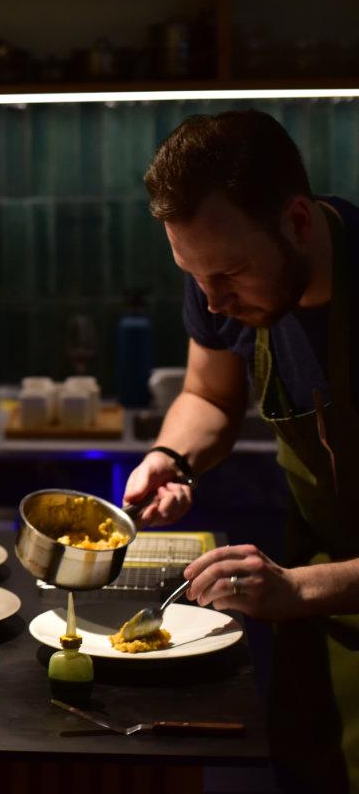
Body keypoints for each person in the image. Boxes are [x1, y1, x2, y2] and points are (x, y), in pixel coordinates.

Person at [123, 109, 359, 792]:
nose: (214, 301)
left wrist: (302, 585)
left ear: (298, 221)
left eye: (228, 274)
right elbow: (209, 394)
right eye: (193, 275)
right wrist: (172, 456)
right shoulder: (217, 272)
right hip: (315, 598)